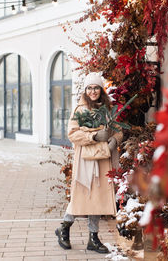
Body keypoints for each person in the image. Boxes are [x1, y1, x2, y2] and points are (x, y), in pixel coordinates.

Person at [55, 73, 122, 253]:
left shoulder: (109, 108)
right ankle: (64, 228)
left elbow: (118, 130)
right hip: (86, 161)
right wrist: (93, 136)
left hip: (103, 159)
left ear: (101, 90)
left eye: (96, 87)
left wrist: (115, 140)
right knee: (81, 196)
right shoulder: (80, 109)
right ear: (85, 90)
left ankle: (93, 238)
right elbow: (72, 134)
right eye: (90, 88)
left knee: (97, 199)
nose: (93, 91)